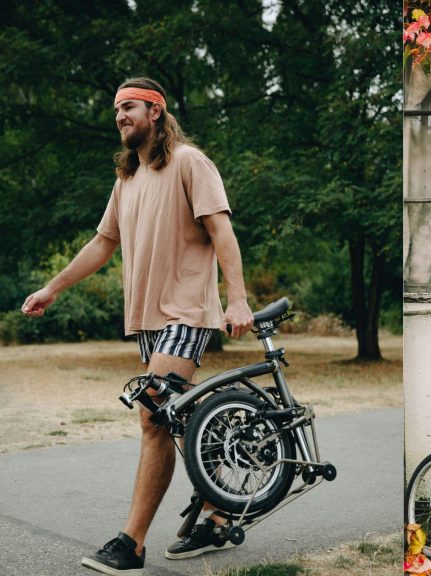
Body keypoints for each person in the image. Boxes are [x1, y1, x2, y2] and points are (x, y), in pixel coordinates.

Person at [21, 77, 254, 575]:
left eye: (128, 107)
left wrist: (237, 299)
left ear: (155, 110)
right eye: (116, 110)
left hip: (185, 311)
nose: (120, 116)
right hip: (146, 321)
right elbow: (102, 243)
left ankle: (132, 543)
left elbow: (222, 231)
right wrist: (53, 288)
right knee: (181, 419)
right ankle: (216, 514)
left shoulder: (189, 162)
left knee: (153, 419)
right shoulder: (127, 179)